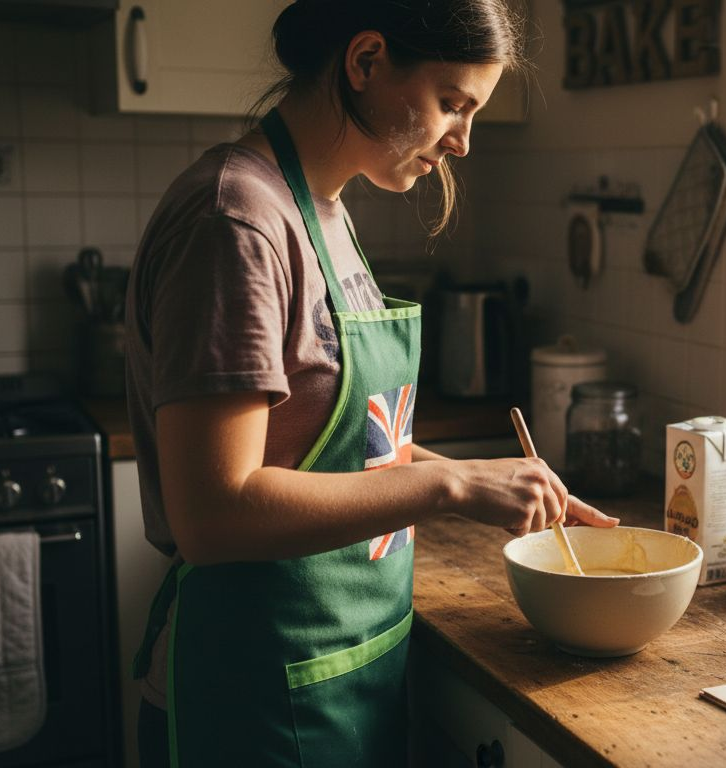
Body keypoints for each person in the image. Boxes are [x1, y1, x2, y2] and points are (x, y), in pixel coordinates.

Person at [124, 2, 618, 765]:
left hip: (350, 672)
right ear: (365, 62)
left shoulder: (327, 211)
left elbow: (351, 450)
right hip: (253, 693)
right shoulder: (237, 222)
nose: (462, 140)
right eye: (452, 103)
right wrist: (451, 491)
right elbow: (214, 514)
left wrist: (486, 478)